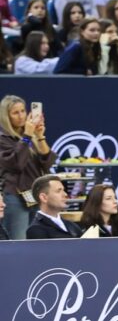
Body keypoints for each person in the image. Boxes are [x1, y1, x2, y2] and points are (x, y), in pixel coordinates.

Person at [0, 95, 56, 241]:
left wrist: (40, 136)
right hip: (15, 197)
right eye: (15, 112)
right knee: (19, 242)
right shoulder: (3, 138)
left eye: (23, 111)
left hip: (35, 195)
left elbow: (47, 163)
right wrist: (27, 137)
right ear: (6, 116)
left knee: (37, 242)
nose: (21, 116)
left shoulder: (29, 133)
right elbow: (16, 164)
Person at [25, 175, 81, 239]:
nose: (65, 194)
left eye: (63, 190)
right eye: (58, 191)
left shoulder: (72, 225)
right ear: (44, 198)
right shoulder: (36, 230)